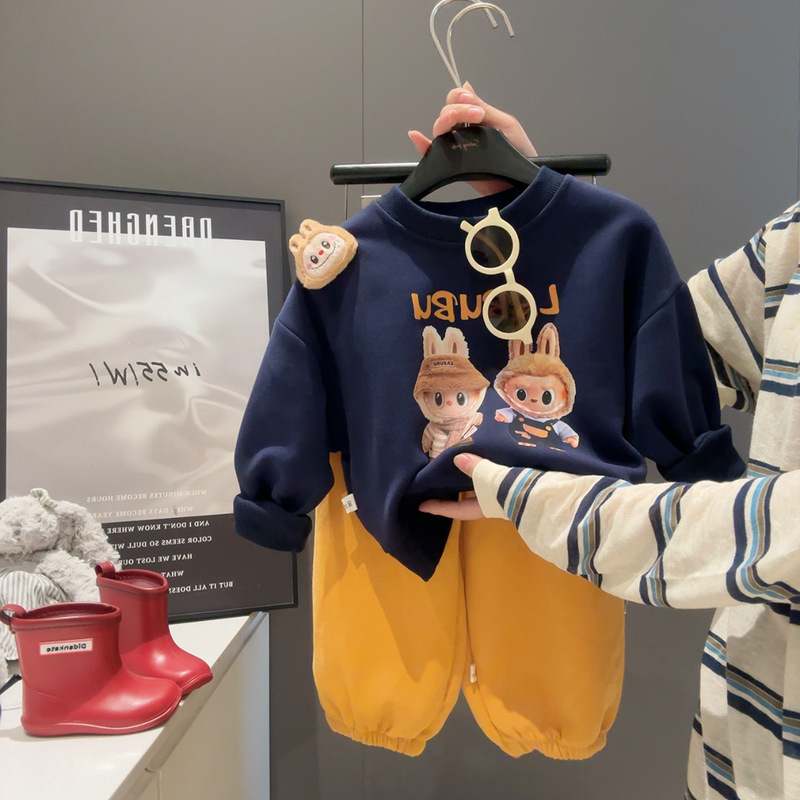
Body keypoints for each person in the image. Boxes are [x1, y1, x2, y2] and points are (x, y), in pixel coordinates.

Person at [413, 86, 800, 800]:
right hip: (736, 724)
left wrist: (530, 493)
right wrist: (553, 231)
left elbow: (773, 529)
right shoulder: (794, 237)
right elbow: (651, 342)